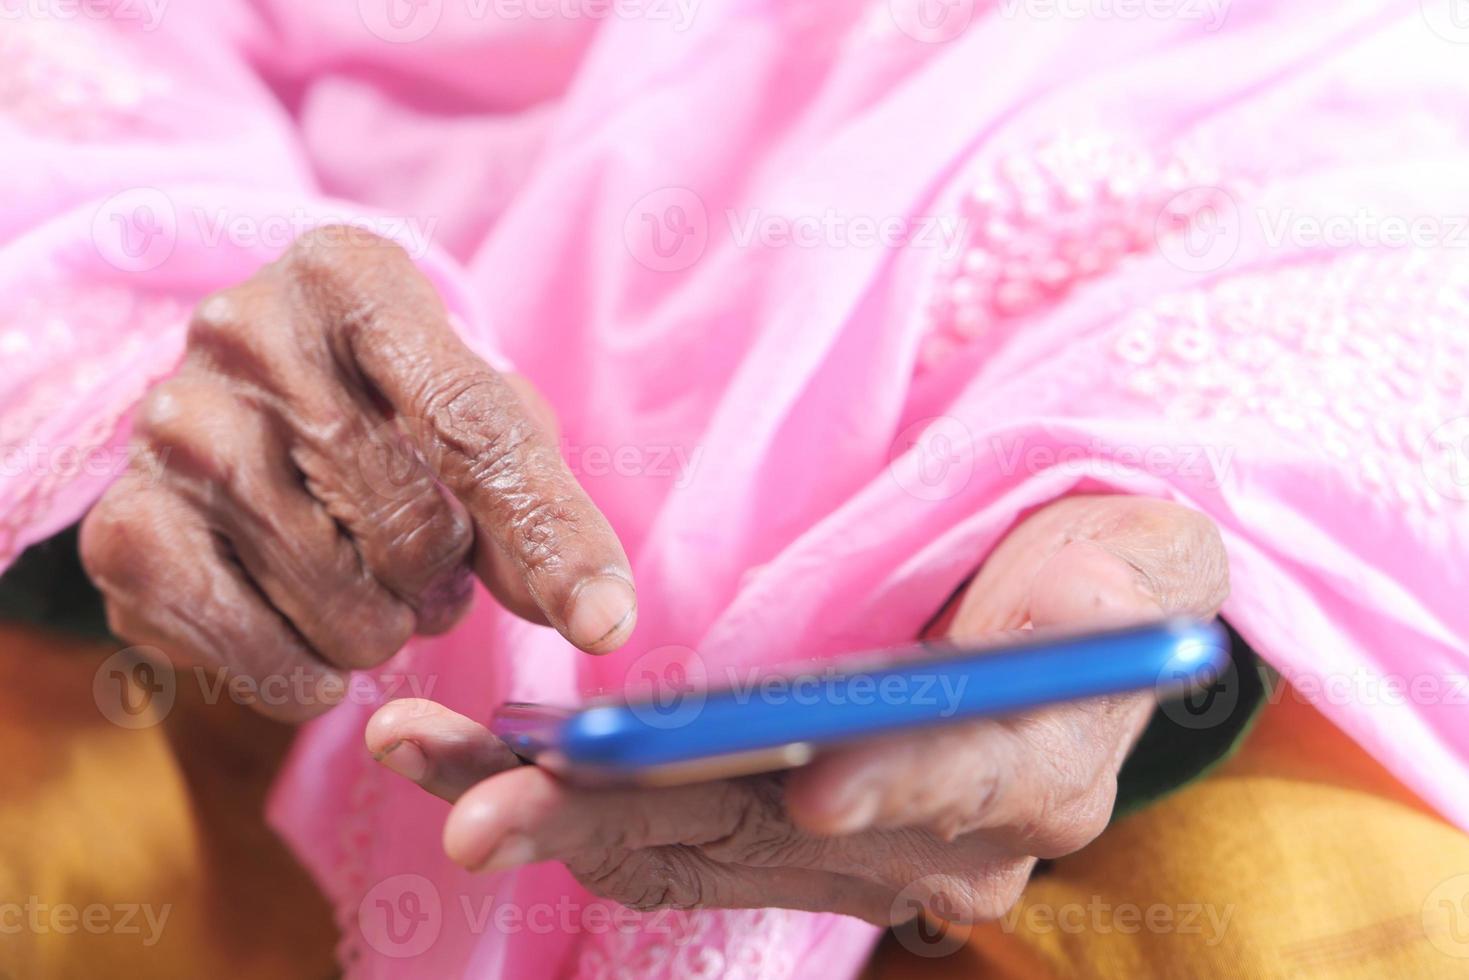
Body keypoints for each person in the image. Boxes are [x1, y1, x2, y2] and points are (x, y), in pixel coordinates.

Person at [2, 1, 1466, 977]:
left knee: (1317, 913)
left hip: (1144, 516)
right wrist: (158, 380)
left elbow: (1357, 107)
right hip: (220, 644)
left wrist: (1131, 517)